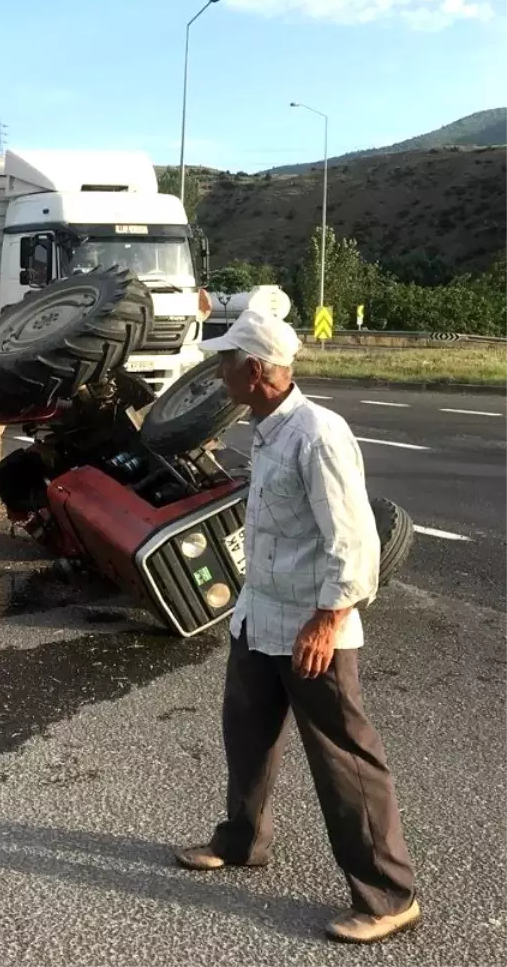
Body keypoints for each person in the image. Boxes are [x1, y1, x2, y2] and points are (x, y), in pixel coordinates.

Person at [175, 309, 418, 945]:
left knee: (345, 762)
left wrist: (329, 618)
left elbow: (354, 540)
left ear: (254, 371)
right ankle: (241, 842)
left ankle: (389, 895)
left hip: (313, 628)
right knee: (247, 734)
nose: (218, 370)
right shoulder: (265, 429)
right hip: (260, 616)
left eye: (227, 361)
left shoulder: (319, 435)